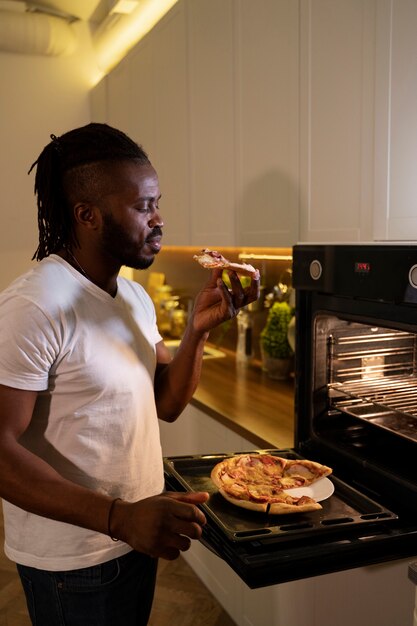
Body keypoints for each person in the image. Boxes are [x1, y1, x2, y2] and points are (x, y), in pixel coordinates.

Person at [0, 123, 260, 626]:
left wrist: (198, 333)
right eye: (143, 206)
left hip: (136, 537)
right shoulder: (34, 305)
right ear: (87, 215)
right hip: (73, 562)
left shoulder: (134, 296)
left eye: (157, 202)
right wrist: (120, 517)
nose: (159, 219)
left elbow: (165, 402)